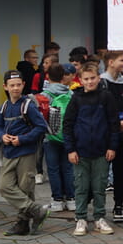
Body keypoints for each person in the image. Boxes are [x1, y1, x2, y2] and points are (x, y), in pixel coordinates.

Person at [63, 63, 120, 237]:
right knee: (80, 185)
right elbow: (68, 125)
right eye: (86, 79)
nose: (90, 82)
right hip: (80, 152)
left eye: (93, 78)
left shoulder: (106, 97)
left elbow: (114, 124)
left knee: (99, 185)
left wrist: (112, 146)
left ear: (99, 78)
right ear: (80, 80)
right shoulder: (76, 98)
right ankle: (80, 218)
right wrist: (70, 149)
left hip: (102, 151)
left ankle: (99, 217)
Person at [0, 70, 50, 237]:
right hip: (9, 152)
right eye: (12, 85)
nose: (15, 88)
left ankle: (22, 223)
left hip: (26, 152)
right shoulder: (4, 106)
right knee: (5, 187)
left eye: (18, 85)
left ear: (23, 85)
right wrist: (1, 136)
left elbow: (41, 127)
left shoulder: (28, 105)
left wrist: (23, 139)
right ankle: (36, 210)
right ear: (5, 86)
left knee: (26, 187)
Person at [100, 51, 123, 223]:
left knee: (120, 170)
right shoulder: (100, 82)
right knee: (100, 171)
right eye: (122, 60)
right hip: (105, 133)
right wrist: (115, 125)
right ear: (110, 62)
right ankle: (97, 206)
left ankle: (119, 205)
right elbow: (98, 111)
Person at [39, 64, 75, 212]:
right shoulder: (71, 94)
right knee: (67, 168)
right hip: (68, 136)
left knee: (53, 169)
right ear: (63, 77)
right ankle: (71, 199)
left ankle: (57, 200)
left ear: (48, 77)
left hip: (50, 136)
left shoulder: (44, 96)